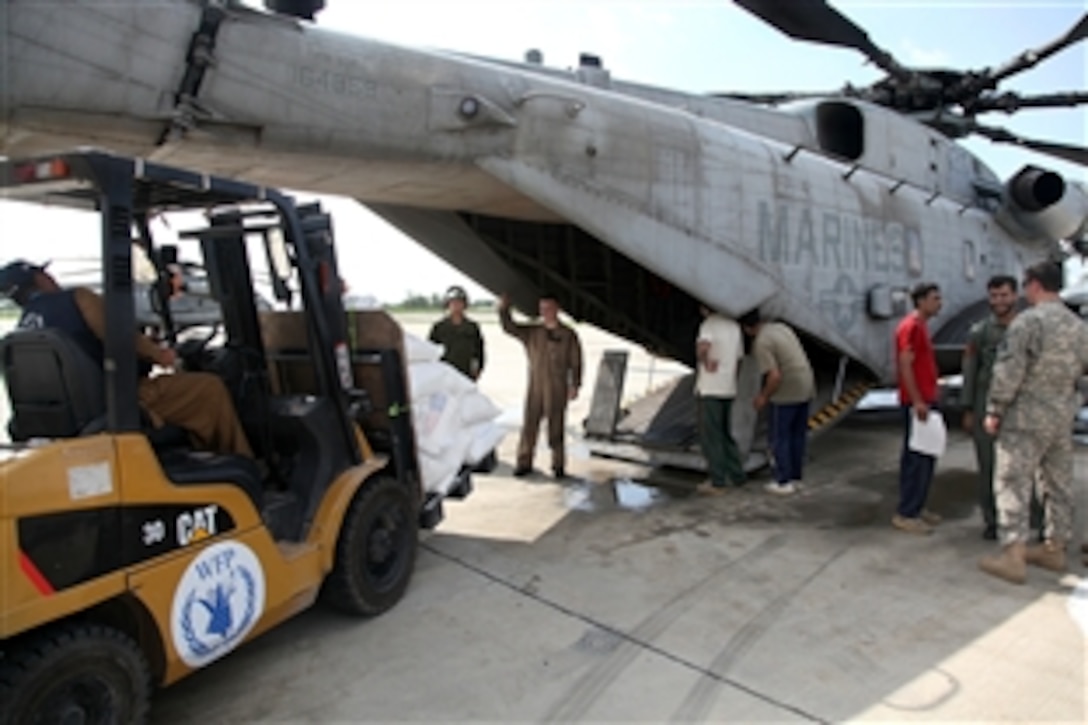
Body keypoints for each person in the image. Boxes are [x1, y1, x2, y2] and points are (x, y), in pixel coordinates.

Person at [0, 259, 253, 458]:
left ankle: (197, 457)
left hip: (73, 416)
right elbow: (121, 337)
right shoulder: (77, 299)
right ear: (41, 278)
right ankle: (247, 471)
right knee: (209, 388)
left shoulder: (22, 329)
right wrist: (161, 354)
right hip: (116, 404)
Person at [979, 261, 1088, 584]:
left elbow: (1009, 372)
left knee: (1012, 480)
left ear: (1035, 285)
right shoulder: (1077, 325)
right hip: (1060, 417)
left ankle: (1013, 555)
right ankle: (1055, 547)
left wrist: (995, 409)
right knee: (1057, 483)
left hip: (1025, 417)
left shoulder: (1028, 322)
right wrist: (1071, 402)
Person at [961, 275, 1043, 540]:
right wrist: (968, 409)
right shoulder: (980, 332)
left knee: (1027, 466)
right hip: (986, 405)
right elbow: (970, 371)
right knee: (989, 466)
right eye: (994, 296)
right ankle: (993, 521)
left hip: (1023, 407)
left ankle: (1036, 519)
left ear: (1015, 295)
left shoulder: (1030, 328)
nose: (999, 301)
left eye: (1004, 295)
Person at [499, 292, 582, 478]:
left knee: (556, 425)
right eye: (543, 309)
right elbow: (510, 328)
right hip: (536, 384)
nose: (546, 312)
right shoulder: (532, 332)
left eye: (550, 308)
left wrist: (575, 384)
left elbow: (576, 361)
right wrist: (504, 309)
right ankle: (524, 462)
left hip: (557, 385)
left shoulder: (568, 335)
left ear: (557, 309)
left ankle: (558, 465)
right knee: (530, 423)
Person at [739, 309, 815, 495]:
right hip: (806, 384)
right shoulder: (781, 328)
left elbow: (774, 376)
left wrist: (763, 397)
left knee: (779, 438)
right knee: (797, 435)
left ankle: (783, 481)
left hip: (787, 391)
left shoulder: (761, 342)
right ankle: (796, 478)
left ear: (747, 329)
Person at [892, 282, 944, 535]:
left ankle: (918, 506)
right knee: (916, 459)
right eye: (935, 298)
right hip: (918, 403)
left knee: (926, 456)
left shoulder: (921, 326)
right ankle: (907, 512)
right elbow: (905, 365)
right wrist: (917, 401)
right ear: (921, 301)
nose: (939, 303)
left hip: (926, 399)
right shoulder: (910, 327)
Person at [694, 304, 746, 493]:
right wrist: (732, 380)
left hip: (710, 388)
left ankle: (717, 481)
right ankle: (737, 475)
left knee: (712, 436)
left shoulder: (709, 324)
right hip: (728, 387)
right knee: (725, 433)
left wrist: (705, 360)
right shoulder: (734, 326)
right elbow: (740, 359)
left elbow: (703, 347)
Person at [428, 285, 485, 380]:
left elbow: (479, 351)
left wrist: (478, 369)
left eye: (459, 302)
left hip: (466, 373)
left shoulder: (472, 327)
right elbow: (430, 350)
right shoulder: (439, 327)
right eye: (453, 302)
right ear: (447, 304)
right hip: (445, 373)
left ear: (465, 305)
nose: (456, 306)